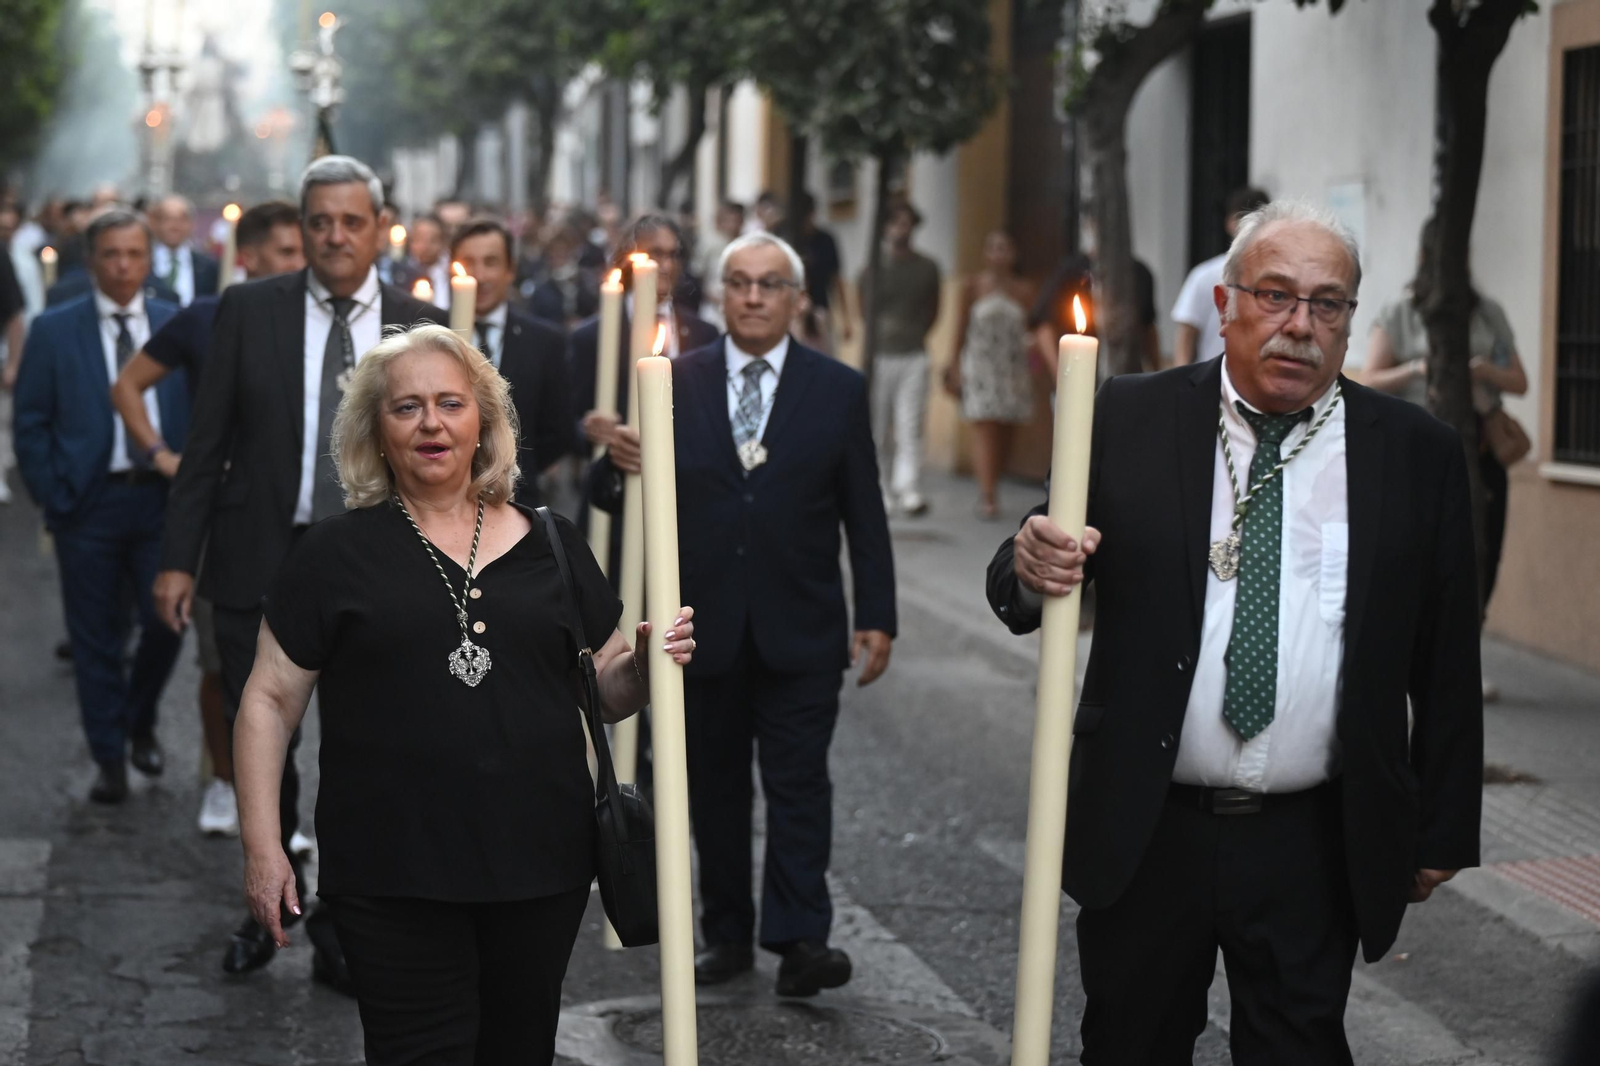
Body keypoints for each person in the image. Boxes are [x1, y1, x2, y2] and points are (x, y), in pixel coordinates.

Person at [985, 200, 1483, 1064]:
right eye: (1275, 295)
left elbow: (1446, 655)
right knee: (1131, 1044)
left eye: (1327, 304)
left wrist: (1444, 824)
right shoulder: (1132, 417)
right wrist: (1031, 566)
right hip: (1150, 823)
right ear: (1225, 305)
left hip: (1313, 838)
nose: (1300, 325)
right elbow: (1025, 569)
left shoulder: (1413, 452)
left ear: (1349, 318)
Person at [232, 322, 696, 1064]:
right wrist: (263, 846)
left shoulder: (552, 542)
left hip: (540, 866)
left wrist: (643, 665)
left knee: (518, 1051)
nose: (431, 423)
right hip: (390, 870)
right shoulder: (331, 554)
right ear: (376, 431)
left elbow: (605, 691)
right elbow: (269, 701)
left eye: (450, 403)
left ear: (483, 421)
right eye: (407, 407)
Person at [155, 155, 444, 988]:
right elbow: (207, 442)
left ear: (379, 227)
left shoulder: (420, 323)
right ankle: (268, 904)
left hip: (378, 563)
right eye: (320, 222)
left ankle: (347, 921)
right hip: (260, 557)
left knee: (366, 747)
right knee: (263, 740)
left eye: (352, 221)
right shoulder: (250, 309)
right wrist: (179, 559)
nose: (335, 236)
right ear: (303, 229)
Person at [590, 232, 896, 997]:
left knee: (800, 786)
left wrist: (878, 610)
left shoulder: (837, 388)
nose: (753, 296)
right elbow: (613, 496)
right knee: (714, 789)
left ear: (796, 299)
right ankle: (725, 933)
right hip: (702, 630)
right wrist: (615, 463)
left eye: (769, 284)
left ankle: (801, 939)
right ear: (720, 295)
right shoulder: (672, 377)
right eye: (739, 282)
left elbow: (864, 508)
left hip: (803, 626)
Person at [111, 199, 305, 835]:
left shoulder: (325, 324)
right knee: (223, 665)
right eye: (287, 251)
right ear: (248, 257)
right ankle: (225, 781)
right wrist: (160, 455)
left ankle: (291, 809)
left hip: (305, 521)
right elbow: (127, 385)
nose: (301, 262)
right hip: (223, 521)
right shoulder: (206, 316)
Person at [12, 208, 189, 804]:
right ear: (91, 261)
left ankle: (138, 718)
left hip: (160, 501)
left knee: (166, 623)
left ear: (149, 259)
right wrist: (54, 492)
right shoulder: (55, 330)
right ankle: (108, 755)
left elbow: (198, 406)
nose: (122, 266)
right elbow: (32, 421)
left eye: (134, 254)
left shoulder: (173, 325)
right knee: (95, 638)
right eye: (111, 254)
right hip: (87, 503)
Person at [1364, 220, 1527, 702]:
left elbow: (1520, 381)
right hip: (1414, 455)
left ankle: (1462, 662)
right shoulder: (1401, 311)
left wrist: (1484, 370)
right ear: (1424, 258)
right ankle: (1406, 661)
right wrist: (1417, 369)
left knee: (1480, 554)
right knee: (1413, 557)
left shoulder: (1487, 313)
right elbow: (1368, 378)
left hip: (1480, 455)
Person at [568, 214, 717, 536]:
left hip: (685, 503)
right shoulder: (592, 337)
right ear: (630, 258)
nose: (666, 265)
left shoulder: (704, 334)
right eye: (655, 254)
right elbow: (567, 423)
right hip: (616, 505)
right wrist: (589, 430)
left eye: (673, 254)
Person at [452, 217, 572, 503]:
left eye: (491, 262)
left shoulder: (545, 341)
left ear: (510, 270)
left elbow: (557, 429)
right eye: (469, 262)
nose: (479, 275)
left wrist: (516, 467)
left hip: (518, 498)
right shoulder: (428, 336)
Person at [942, 229, 1036, 521]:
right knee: (984, 426)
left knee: (1006, 429)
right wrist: (954, 366)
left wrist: (1034, 367)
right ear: (985, 253)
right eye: (993, 247)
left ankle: (995, 479)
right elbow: (960, 328)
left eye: (1004, 247)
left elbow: (1032, 332)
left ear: (1014, 254)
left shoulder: (1024, 289)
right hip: (980, 366)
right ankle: (987, 495)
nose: (998, 254)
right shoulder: (972, 286)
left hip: (1013, 368)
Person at [860, 201, 941, 516]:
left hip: (913, 352)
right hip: (879, 355)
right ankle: (879, 488)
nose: (899, 229)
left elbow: (933, 308)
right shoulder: (873, 267)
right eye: (894, 222)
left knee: (910, 424)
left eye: (905, 223)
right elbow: (863, 306)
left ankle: (908, 488)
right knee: (876, 425)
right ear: (885, 227)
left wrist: (915, 332)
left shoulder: (927, 268)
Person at [1030, 216, 1161, 378]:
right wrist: (1059, 373)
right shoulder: (1071, 272)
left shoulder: (1139, 273)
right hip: (1080, 372)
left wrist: (1158, 374)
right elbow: (1044, 325)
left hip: (1127, 373)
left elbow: (1148, 329)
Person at [1172, 186, 1271, 365]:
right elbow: (1187, 333)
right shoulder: (1204, 275)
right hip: (1216, 374)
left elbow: (1186, 334)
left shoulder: (1203, 274)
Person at [790, 191, 852, 355]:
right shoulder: (788, 239)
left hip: (820, 312)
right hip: (792, 315)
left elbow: (836, 280)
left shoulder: (825, 240)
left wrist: (846, 319)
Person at [148, 195, 220, 307]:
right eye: (167, 219)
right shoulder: (143, 262)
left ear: (192, 224)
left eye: (182, 219)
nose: (175, 226)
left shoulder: (209, 267)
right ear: (155, 224)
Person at [694, 201, 745, 329]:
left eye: (736, 221)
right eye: (729, 221)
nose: (733, 225)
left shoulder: (746, 246)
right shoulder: (710, 244)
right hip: (712, 308)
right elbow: (697, 275)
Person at [394, 213, 450, 297]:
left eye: (433, 240)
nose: (426, 247)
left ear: (443, 243)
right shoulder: (399, 275)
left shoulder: (450, 274)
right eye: (419, 239)